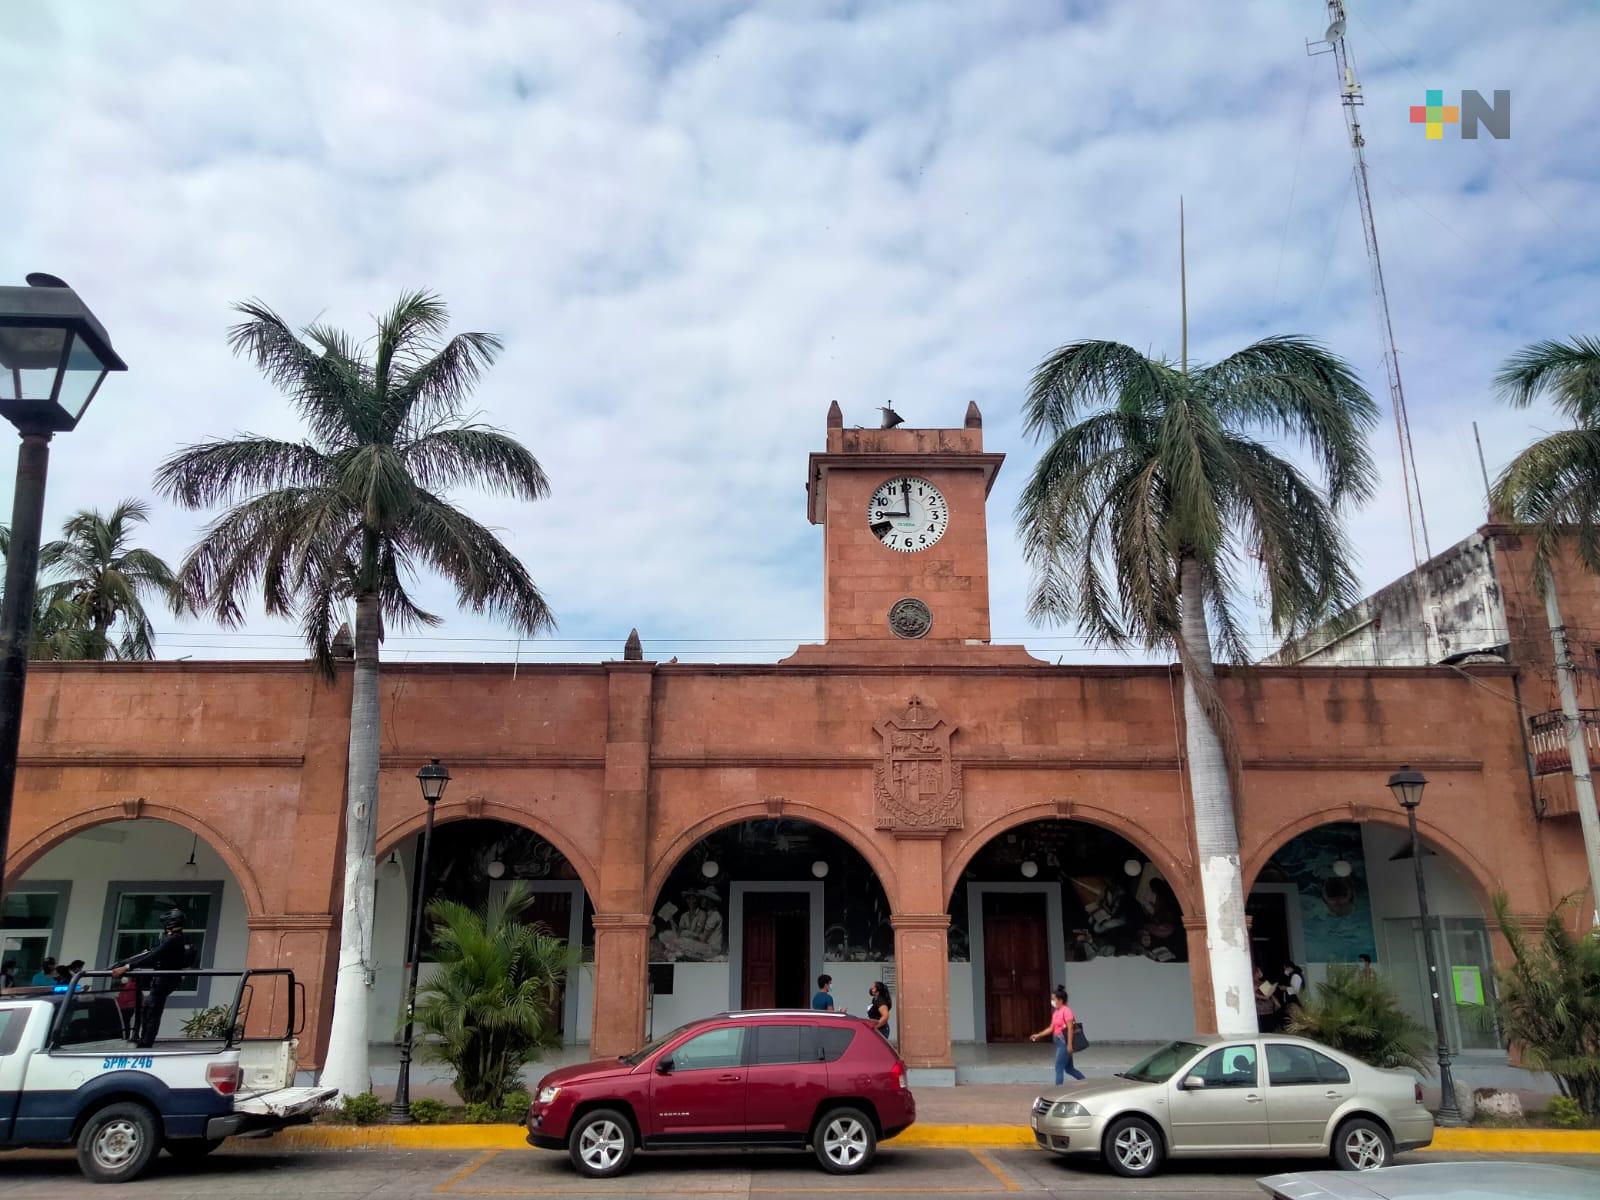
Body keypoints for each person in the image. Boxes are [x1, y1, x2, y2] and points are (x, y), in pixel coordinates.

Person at [110, 908, 195, 1048]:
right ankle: (143, 1040)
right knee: (148, 1009)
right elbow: (152, 955)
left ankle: (145, 1043)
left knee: (152, 1010)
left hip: (165, 980)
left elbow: (155, 955)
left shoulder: (174, 939)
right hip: (163, 979)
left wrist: (127, 967)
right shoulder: (174, 938)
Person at [1029, 984, 1086, 1085]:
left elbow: (1070, 1028)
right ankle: (1086, 1083)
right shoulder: (1056, 1012)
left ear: (1060, 1000)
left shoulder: (1066, 1011)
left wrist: (1069, 1044)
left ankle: (1058, 1090)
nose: (1052, 1001)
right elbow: (1051, 1028)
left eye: (1053, 999)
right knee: (1069, 1069)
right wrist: (1038, 1035)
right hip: (1060, 1043)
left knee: (1058, 1067)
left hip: (1064, 1044)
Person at [114, 973, 142, 1039]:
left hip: (127, 1007)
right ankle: (128, 1036)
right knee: (126, 1023)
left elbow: (126, 998)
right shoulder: (130, 985)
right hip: (127, 1007)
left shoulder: (131, 985)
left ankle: (126, 1036)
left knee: (125, 1023)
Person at [1253, 966, 1281, 1030]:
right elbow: (1268, 995)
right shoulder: (1256, 983)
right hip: (1261, 1010)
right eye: (1260, 971)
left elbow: (1269, 995)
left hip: (1266, 1010)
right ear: (1256, 973)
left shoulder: (1261, 983)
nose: (1261, 973)